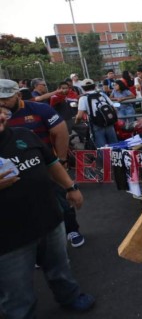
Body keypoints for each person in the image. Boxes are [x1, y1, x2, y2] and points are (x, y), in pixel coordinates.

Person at [0, 106, 95, 317]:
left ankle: (71, 297)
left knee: (60, 268)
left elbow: (51, 163)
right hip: (9, 237)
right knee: (16, 291)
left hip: (49, 220)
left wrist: (71, 188)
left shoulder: (24, 135)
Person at [0, 79, 86, 248]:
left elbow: (60, 132)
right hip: (12, 175)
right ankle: (35, 244)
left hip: (46, 165)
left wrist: (61, 159)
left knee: (61, 201)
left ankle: (72, 230)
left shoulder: (38, 109)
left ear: (17, 95)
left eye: (6, 98)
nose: (2, 103)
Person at [75, 79, 118, 149]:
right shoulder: (102, 94)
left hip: (96, 124)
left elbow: (79, 116)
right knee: (115, 145)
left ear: (82, 88)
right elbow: (114, 108)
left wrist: (76, 122)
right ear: (94, 86)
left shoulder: (83, 98)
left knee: (102, 148)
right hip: (109, 122)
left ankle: (106, 159)